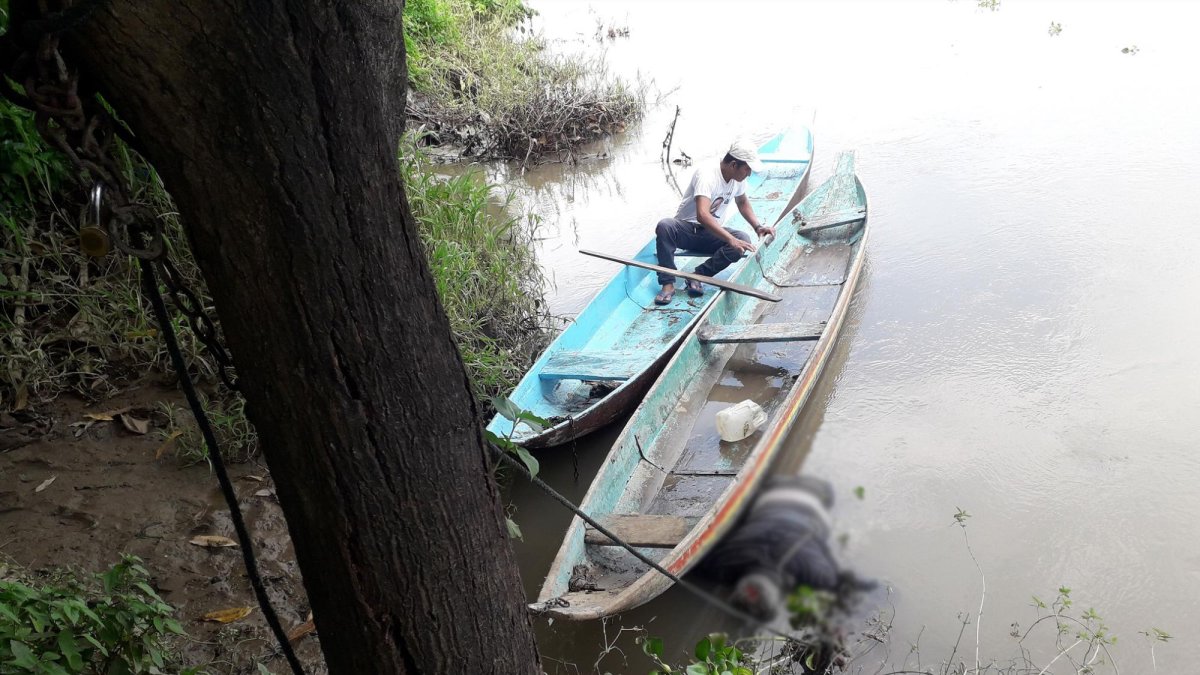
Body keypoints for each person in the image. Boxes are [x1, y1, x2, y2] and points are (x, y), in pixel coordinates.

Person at [653, 139, 776, 305]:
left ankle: (698, 276)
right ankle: (668, 284)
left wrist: (758, 227)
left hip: (711, 233)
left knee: (743, 241)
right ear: (734, 165)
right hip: (687, 231)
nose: (749, 174)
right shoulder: (707, 174)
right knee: (665, 226)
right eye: (747, 169)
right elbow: (702, 215)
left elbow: (742, 202)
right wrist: (729, 239)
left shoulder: (738, 179)